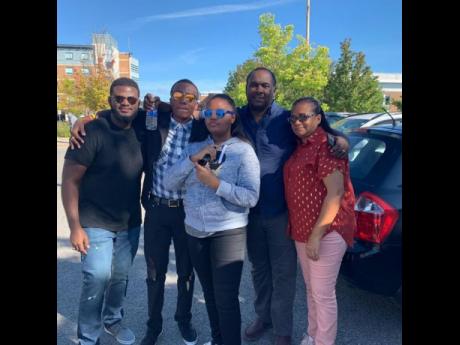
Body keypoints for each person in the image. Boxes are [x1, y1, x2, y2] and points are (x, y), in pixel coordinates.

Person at [69, 79, 205, 345]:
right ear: (171, 97)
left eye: (190, 97)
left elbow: (229, 124)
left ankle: (183, 319)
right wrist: (86, 118)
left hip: (188, 212)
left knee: (187, 272)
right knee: (155, 273)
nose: (184, 100)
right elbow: (122, 110)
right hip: (156, 209)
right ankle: (153, 326)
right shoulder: (154, 119)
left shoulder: (203, 127)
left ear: (196, 101)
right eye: (178, 95)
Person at [237, 67, 349, 345]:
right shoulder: (236, 117)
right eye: (254, 85)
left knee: (284, 274)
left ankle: (282, 331)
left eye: (265, 85)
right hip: (249, 212)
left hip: (281, 214)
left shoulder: (287, 119)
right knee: (259, 271)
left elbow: (321, 130)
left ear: (274, 90)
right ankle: (263, 318)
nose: (259, 90)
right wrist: (162, 106)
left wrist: (342, 139)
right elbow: (205, 114)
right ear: (247, 87)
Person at [163, 94, 260, 345]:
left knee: (225, 298)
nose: (213, 118)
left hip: (228, 231)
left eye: (220, 113)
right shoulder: (194, 148)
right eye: (208, 113)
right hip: (195, 230)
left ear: (232, 117)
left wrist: (216, 184)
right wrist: (192, 160)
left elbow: (251, 197)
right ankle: (218, 340)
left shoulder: (243, 151)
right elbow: (169, 182)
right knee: (209, 293)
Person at [61, 77, 144, 345]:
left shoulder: (143, 126)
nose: (125, 103)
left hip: (129, 222)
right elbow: (70, 181)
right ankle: (88, 337)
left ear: (138, 102)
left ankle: (112, 320)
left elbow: (175, 107)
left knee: (120, 277)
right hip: (94, 222)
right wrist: (74, 226)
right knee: (97, 277)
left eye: (131, 99)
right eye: (119, 98)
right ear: (109, 100)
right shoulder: (91, 131)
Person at [283, 97, 356, 345]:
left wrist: (316, 235)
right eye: (293, 117)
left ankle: (324, 341)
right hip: (302, 230)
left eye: (303, 116)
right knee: (311, 290)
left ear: (318, 118)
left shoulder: (327, 146)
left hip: (326, 232)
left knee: (323, 294)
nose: (297, 121)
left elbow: (335, 193)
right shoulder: (302, 144)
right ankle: (313, 334)